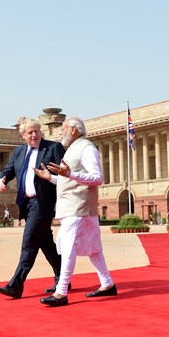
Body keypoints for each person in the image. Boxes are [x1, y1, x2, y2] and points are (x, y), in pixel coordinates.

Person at [34, 116, 116, 307]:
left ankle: (61, 291)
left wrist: (69, 173)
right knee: (94, 247)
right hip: (75, 205)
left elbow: (97, 178)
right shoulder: (73, 148)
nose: (60, 132)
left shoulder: (87, 148)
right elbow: (69, 180)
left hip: (79, 206)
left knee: (68, 246)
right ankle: (107, 283)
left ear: (73, 130)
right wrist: (51, 178)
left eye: (63, 128)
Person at [0, 117, 65, 299]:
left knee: (29, 241)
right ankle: (63, 278)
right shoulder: (19, 152)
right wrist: (0, 179)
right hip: (27, 203)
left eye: (36, 131)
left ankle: (16, 285)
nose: (34, 135)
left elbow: (65, 174)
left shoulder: (53, 148)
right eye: (30, 132)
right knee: (45, 243)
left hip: (43, 202)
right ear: (23, 135)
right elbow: (9, 171)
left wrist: (55, 185)